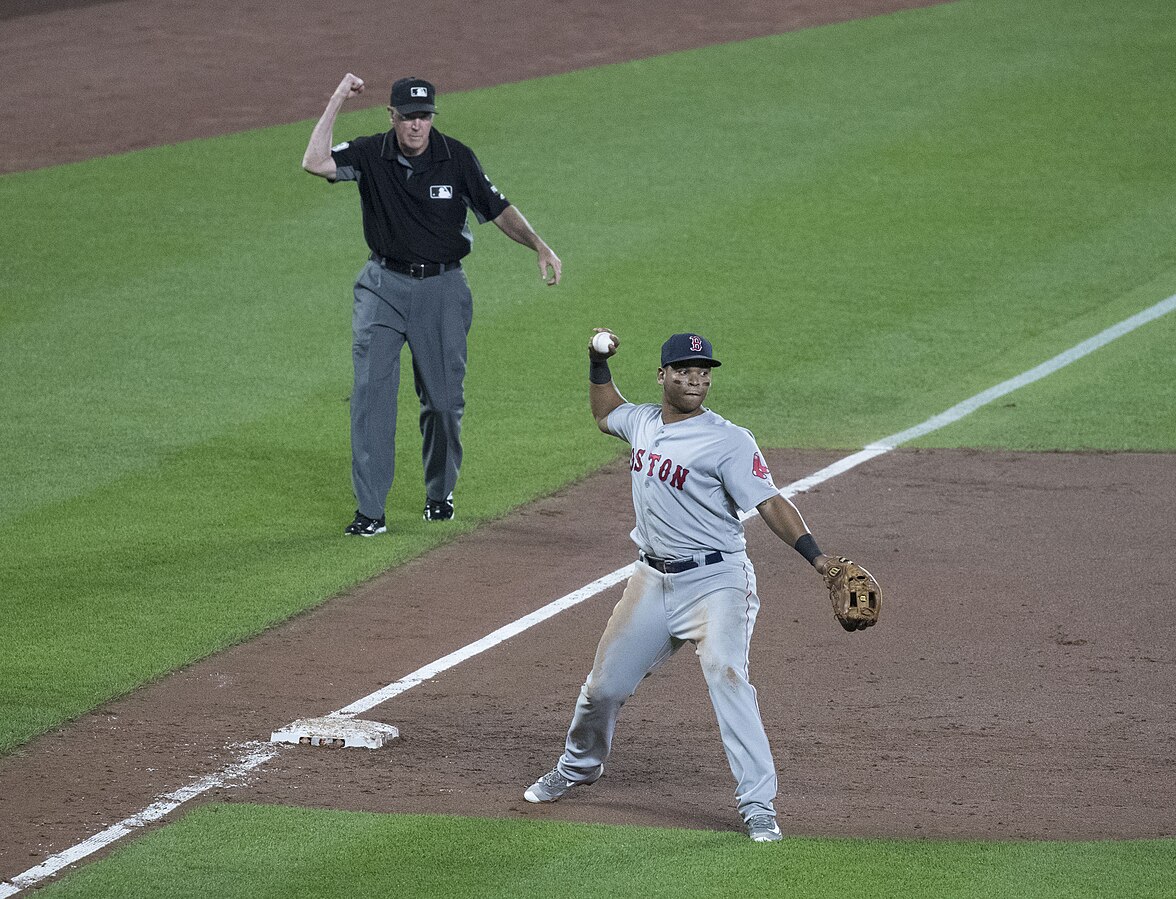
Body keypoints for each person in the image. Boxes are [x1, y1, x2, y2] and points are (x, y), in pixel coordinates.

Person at [523, 329, 865, 842]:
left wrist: (817, 560)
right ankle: (578, 768)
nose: (695, 379)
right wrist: (596, 360)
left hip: (716, 581)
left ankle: (758, 805)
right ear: (662, 375)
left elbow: (769, 503)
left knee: (728, 677)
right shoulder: (641, 421)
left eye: (703, 372)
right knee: (603, 689)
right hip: (651, 580)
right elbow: (603, 412)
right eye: (683, 370)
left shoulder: (729, 439)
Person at [303, 74, 562, 536]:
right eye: (407, 117)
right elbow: (314, 161)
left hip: (442, 291)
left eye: (424, 116)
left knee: (443, 403)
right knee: (370, 398)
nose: (416, 126)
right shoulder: (370, 152)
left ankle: (439, 493)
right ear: (393, 117)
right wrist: (338, 97)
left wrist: (539, 246)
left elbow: (497, 207)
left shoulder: (455, 156)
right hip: (381, 287)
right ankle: (370, 512)